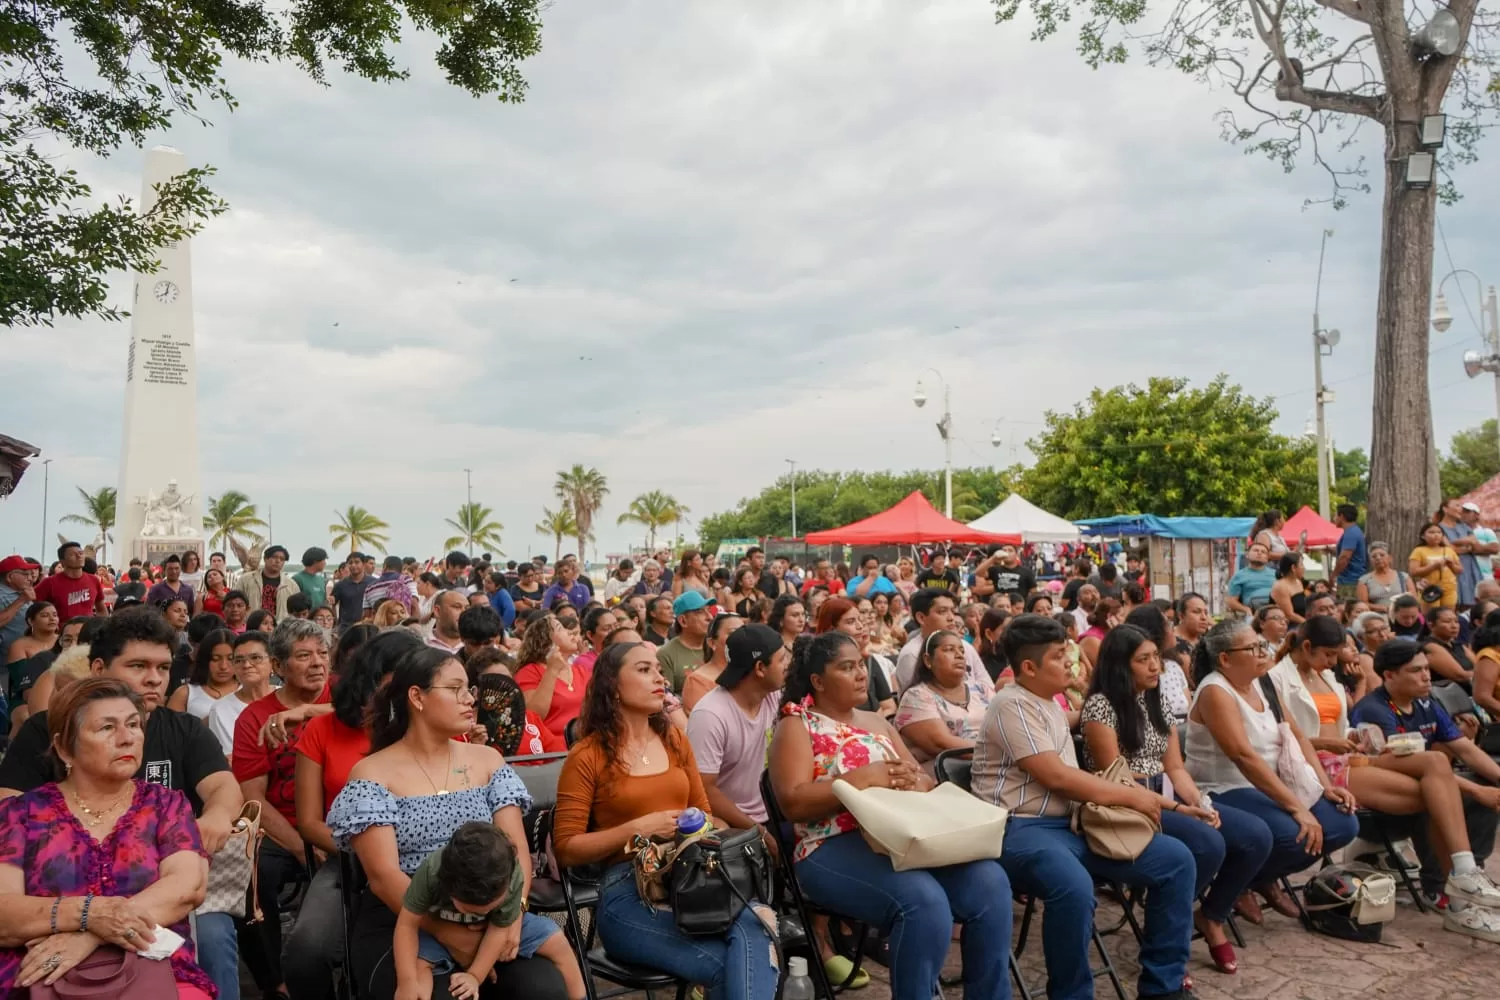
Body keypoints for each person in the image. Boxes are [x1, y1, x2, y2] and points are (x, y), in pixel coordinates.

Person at [0, 608, 244, 1000]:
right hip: (42, 943)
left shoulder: (173, 768)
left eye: (164, 668)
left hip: (155, 921)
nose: (154, 678)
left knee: (215, 937)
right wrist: (90, 918)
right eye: (138, 665)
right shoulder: (41, 744)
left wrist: (214, 818)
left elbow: (220, 793)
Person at [769, 630, 1014, 1000]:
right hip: (831, 844)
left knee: (991, 884)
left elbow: (921, 779)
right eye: (845, 667)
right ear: (818, 681)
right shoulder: (797, 725)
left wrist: (916, 783)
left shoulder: (879, 722)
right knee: (923, 902)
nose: (860, 674)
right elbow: (793, 802)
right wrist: (859, 780)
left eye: (861, 665)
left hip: (906, 835)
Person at [969, 614, 1194, 1000]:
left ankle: (1163, 986)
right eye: (1060, 656)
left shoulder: (1049, 704)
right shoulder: (1011, 704)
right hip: (1020, 830)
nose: (1071, 663)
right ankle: (1072, 994)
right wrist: (1139, 796)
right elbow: (1057, 777)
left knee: (1177, 860)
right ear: (1029, 667)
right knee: (1073, 888)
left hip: (1070, 826)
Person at [326, 646, 562, 1000]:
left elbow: (517, 852)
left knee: (543, 989)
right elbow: (383, 877)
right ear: (417, 697)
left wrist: (515, 915)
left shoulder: (487, 761)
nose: (470, 699)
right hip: (405, 920)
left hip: (491, 913)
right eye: (455, 689)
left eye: (470, 689)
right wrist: (448, 934)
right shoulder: (373, 774)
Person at [553, 642, 780, 1000]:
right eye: (643, 670)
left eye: (658, 669)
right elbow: (566, 849)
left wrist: (701, 825)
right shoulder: (587, 755)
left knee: (758, 924)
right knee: (734, 964)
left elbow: (704, 811)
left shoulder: (674, 738)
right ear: (612, 684)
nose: (659, 677)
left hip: (691, 879)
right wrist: (638, 828)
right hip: (629, 893)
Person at [1269, 620, 1500, 937]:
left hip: (1346, 758)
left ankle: (1460, 883)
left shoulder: (1327, 677)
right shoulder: (1276, 679)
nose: (1336, 663)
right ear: (1307, 648)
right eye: (1330, 654)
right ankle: (1460, 888)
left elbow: (1341, 726)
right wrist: (1326, 742)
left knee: (1435, 781)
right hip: (1312, 766)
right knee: (1436, 784)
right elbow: (1278, 738)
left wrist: (1352, 736)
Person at [1082, 624, 1271, 973]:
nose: (1155, 666)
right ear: (1120, 665)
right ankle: (1167, 934)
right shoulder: (1100, 707)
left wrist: (1201, 804)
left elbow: (1175, 769)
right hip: (1126, 804)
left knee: (1253, 836)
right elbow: (1116, 780)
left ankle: (1207, 915)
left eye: (1156, 656)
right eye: (1143, 660)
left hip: (1166, 796)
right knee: (1207, 844)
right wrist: (1181, 809)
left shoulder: (1156, 702)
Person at [1185, 618, 1359, 920]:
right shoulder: (1216, 690)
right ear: (1225, 659)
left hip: (1270, 782)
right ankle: (1221, 901)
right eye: (1253, 648)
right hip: (1223, 788)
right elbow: (1243, 757)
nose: (1263, 652)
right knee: (1293, 831)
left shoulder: (1262, 682)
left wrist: (1324, 785)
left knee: (1342, 824)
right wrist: (1297, 808)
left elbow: (1297, 735)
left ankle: (1257, 879)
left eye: (1262, 645)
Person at [1351, 639, 1500, 918]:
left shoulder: (1426, 702)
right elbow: (1405, 770)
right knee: (1437, 798)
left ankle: (1470, 873)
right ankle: (1439, 887)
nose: (1426, 676)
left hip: (1424, 785)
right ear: (1390, 675)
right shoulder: (1375, 710)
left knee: (1486, 790)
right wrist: (1477, 791)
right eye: (1416, 670)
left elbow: (1464, 748)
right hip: (1385, 803)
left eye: (1427, 669)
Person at [396, 821, 585, 1000]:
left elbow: (500, 929)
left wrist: (475, 976)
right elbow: (407, 924)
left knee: (556, 940)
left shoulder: (511, 875)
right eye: (469, 908)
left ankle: (581, 997)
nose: (478, 914)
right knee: (418, 965)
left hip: (498, 925)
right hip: (442, 923)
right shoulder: (431, 872)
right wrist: (406, 982)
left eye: (489, 907)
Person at [686, 624, 786, 838]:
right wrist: (756, 831)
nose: (787, 666)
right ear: (760, 668)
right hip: (733, 825)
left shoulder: (774, 696)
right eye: (781, 660)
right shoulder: (710, 715)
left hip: (774, 812)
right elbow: (704, 788)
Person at [894, 629, 992, 775]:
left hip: (993, 766)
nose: (959, 655)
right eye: (949, 650)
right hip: (947, 777)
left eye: (961, 651)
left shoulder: (981, 689)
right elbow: (940, 743)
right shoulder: (916, 696)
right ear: (928, 660)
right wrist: (997, 753)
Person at [815, 597, 896, 716]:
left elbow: (888, 706)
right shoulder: (817, 664)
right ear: (831, 629)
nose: (860, 626)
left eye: (860, 620)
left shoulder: (868, 660)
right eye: (850, 622)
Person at [514, 611, 587, 740]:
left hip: (584, 745)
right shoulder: (530, 672)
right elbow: (533, 715)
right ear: (546, 640)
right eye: (561, 629)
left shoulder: (581, 672)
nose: (570, 632)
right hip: (549, 749)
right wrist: (552, 670)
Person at [206, 630, 276, 755]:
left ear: (272, 662)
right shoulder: (221, 710)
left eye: (255, 658)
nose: (247, 665)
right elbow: (232, 759)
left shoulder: (288, 696)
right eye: (239, 660)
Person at [166, 627, 238, 718]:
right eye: (215, 659)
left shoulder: (250, 691)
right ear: (205, 660)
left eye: (231, 659)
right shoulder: (185, 694)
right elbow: (170, 729)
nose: (223, 666)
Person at [681, 612, 744, 713]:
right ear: (712, 643)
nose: (742, 638)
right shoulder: (697, 681)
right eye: (733, 633)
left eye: (744, 632)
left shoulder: (750, 673)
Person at [33, 542, 104, 622]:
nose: (79, 556)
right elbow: (32, 608)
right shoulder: (49, 582)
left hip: (87, 632)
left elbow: (101, 610)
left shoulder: (93, 580)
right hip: (61, 633)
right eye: (72, 555)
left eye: (81, 553)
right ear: (62, 561)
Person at [657, 591, 711, 694]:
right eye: (700, 612)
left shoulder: (716, 646)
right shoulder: (666, 654)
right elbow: (668, 698)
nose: (709, 617)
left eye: (708, 610)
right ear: (683, 621)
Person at [1411, 523, 1463, 612]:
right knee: (1430, 616)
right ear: (1423, 536)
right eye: (1431, 532)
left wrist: (1451, 564)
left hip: (1449, 589)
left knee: (1447, 615)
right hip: (1429, 589)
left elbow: (1460, 570)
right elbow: (1413, 571)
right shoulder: (1419, 551)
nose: (1436, 535)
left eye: (1439, 532)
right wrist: (1434, 566)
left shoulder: (1448, 550)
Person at [1423, 607, 1476, 687]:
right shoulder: (1430, 646)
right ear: (1431, 625)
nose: (1454, 626)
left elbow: (1480, 667)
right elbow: (1460, 676)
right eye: (1447, 622)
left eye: (1456, 621)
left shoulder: (1460, 645)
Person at [1356, 542, 1414, 613]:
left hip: (1402, 617)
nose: (1378, 558)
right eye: (1374, 556)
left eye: (1382, 555)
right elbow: (1363, 604)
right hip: (1376, 619)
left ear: (1390, 558)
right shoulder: (1364, 580)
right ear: (1371, 560)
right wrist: (1382, 608)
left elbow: (1414, 599)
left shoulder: (1404, 577)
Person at [1225, 542, 1276, 614]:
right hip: (1253, 613)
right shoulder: (1239, 576)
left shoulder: (1276, 574)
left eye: (1263, 552)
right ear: (1247, 555)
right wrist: (1246, 609)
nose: (1259, 553)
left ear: (1267, 558)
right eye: (1256, 550)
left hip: (1276, 610)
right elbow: (1231, 601)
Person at [1333, 504, 1369, 601]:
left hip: (1350, 581)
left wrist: (1333, 576)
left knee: (1347, 610)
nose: (1334, 518)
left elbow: (1345, 557)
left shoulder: (1351, 533)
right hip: (1351, 580)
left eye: (1335, 515)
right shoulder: (1354, 532)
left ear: (1341, 517)